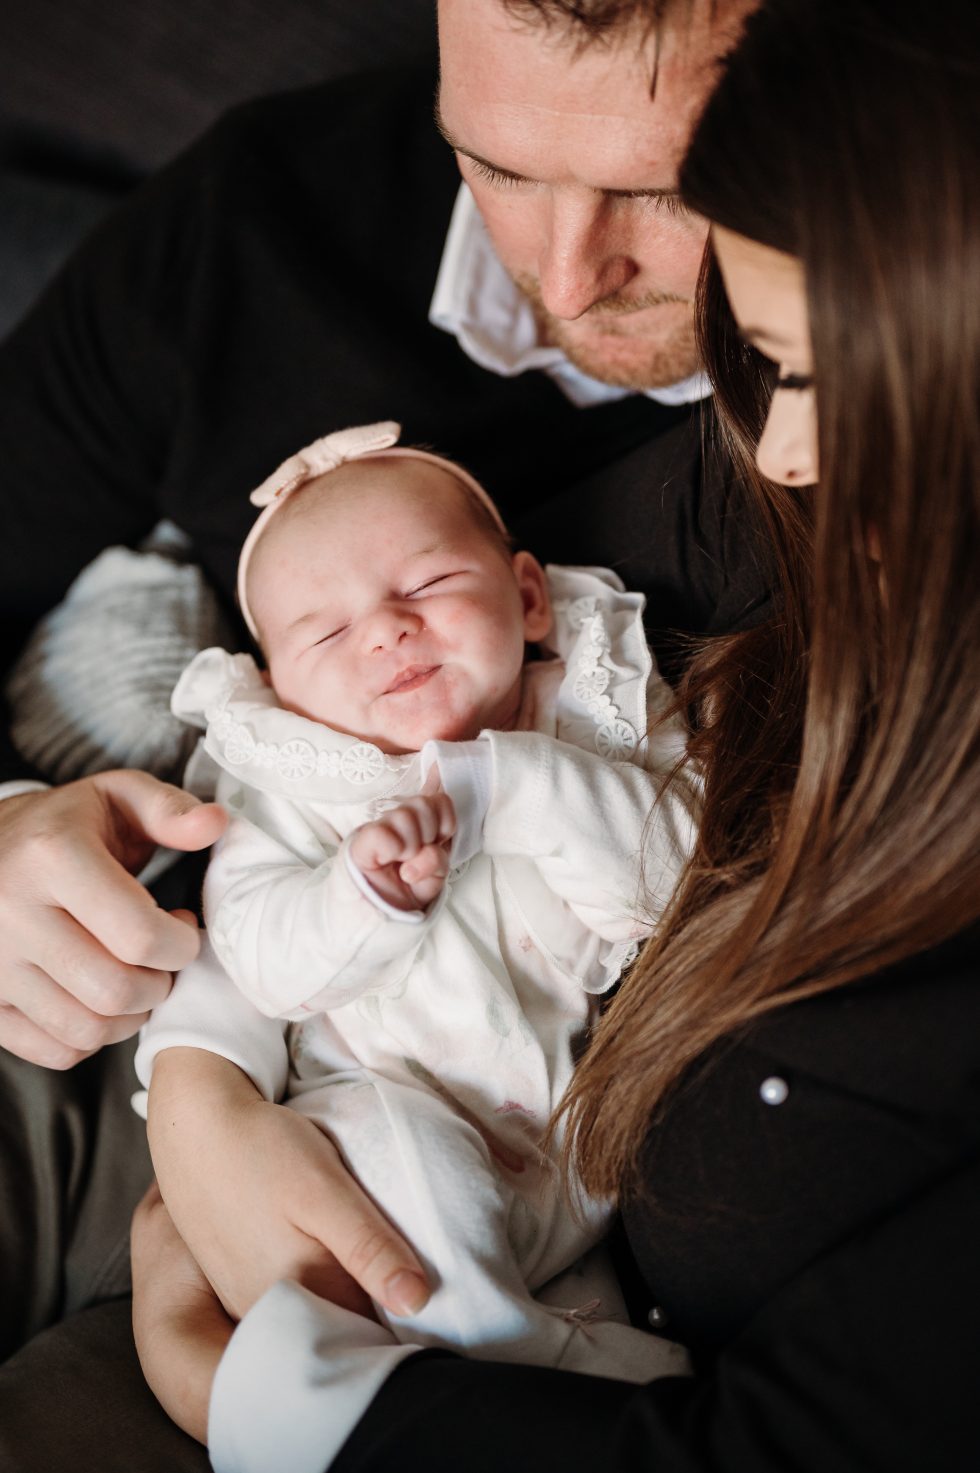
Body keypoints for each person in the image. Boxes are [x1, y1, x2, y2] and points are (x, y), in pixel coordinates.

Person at [131, 1, 980, 1469]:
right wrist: (198, 1082)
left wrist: (251, 1399)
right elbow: (344, 693)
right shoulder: (769, 498)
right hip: (261, 1071)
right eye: (761, 366)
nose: (776, 449)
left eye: (821, 376)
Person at [0, 4, 765, 1467]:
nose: (561, 272)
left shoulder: (849, 422)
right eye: (496, 164)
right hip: (108, 1006)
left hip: (518, 1196)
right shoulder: (262, 220)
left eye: (663, 187)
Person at [134, 421, 697, 1423]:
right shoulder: (296, 781)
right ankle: (547, 1375)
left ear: (527, 597)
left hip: (580, 1145)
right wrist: (362, 893)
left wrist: (505, 790)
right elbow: (258, 956)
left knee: (578, 1263)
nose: (386, 631)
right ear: (276, 685)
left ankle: (532, 1373)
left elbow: (668, 877)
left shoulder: (592, 709)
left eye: (426, 586)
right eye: (324, 632)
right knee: (417, 1189)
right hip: (384, 1104)